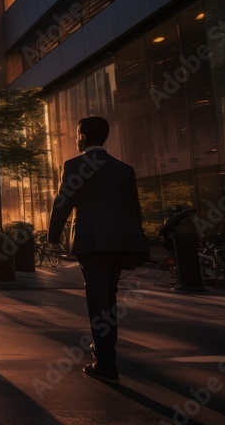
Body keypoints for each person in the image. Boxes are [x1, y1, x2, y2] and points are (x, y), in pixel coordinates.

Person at [47, 116, 148, 384]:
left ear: (81, 136)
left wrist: (53, 236)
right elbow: (135, 210)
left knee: (98, 299)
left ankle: (105, 361)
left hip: (91, 244)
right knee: (109, 298)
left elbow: (63, 203)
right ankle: (104, 350)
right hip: (120, 243)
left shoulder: (74, 166)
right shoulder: (123, 169)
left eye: (78, 134)